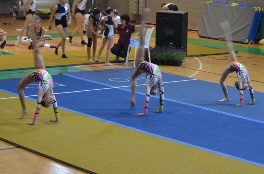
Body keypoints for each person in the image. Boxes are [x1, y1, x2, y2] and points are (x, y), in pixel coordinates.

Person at [18, 17, 59, 125]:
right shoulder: (52, 96)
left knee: (36, 50)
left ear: (45, 99)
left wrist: (34, 122)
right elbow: (55, 107)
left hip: (38, 73)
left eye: (48, 103)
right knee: (20, 87)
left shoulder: (43, 92)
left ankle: (25, 110)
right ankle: (24, 110)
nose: (51, 103)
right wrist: (57, 119)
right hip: (41, 72)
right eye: (51, 103)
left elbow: (38, 107)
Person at [130, 8, 164, 116]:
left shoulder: (156, 82)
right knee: (141, 41)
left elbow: (155, 97)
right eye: (155, 93)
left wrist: (159, 110)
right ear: (156, 88)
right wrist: (146, 112)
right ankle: (144, 18)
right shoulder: (156, 81)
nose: (154, 94)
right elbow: (153, 97)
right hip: (144, 64)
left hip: (144, 65)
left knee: (133, 77)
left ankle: (144, 18)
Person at [219, 21, 255, 106]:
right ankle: (226, 30)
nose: (244, 88)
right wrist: (252, 102)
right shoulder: (245, 80)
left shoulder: (244, 78)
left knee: (221, 81)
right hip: (235, 65)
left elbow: (246, 91)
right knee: (229, 47)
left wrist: (241, 104)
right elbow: (248, 91)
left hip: (232, 66)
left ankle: (227, 96)